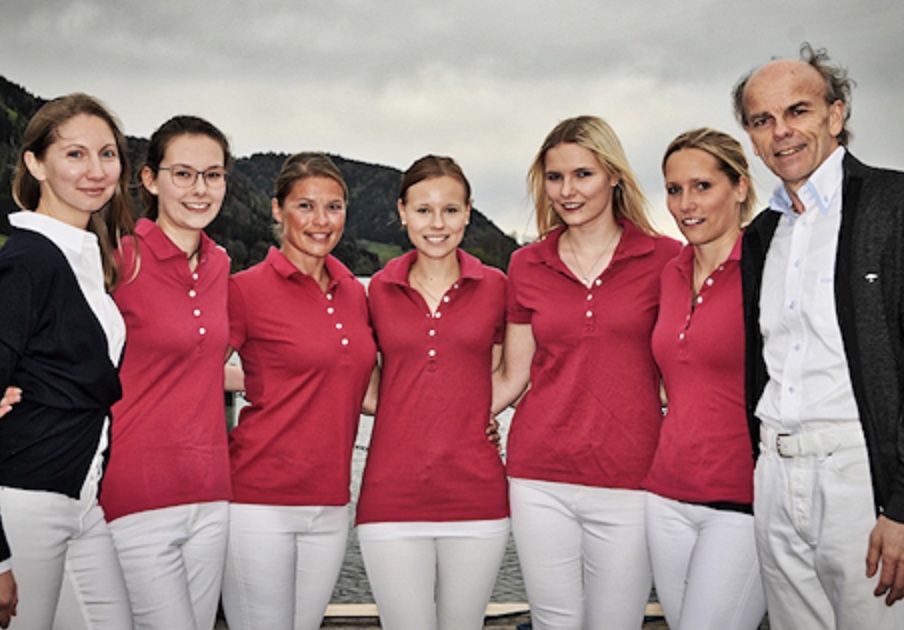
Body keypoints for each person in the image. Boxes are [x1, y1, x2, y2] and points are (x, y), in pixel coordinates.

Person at [736, 43, 904, 629]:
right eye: (762, 120)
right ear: (751, 137)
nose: (780, 131)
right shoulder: (761, 236)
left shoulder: (894, 207)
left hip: (861, 480)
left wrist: (902, 505)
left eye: (797, 111)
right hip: (775, 479)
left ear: (835, 115)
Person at [492, 115, 680, 629]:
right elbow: (512, 377)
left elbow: (685, 367)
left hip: (632, 478)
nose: (567, 191)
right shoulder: (527, 264)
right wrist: (446, 420)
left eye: (583, 175)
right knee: (553, 622)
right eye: (555, 177)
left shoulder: (666, 259)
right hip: (538, 478)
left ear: (614, 176)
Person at [222, 152, 377, 630]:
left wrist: (467, 414)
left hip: (331, 503)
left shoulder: (354, 292)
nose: (320, 221)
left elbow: (365, 390)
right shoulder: (243, 290)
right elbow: (192, 370)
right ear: (278, 209)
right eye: (305, 206)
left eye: (333, 207)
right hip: (258, 502)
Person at [356, 155, 509, 630]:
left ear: (468, 212)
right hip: (390, 498)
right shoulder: (376, 291)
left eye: (450, 210)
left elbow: (507, 369)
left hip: (477, 496)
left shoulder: (497, 286)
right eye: (423, 210)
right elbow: (357, 377)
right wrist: (407, 411)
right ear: (402, 212)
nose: (437, 224)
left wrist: (472, 412)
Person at [0, 93, 135, 628]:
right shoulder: (27, 262)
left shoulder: (82, 258)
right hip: (23, 503)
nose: (96, 171)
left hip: (80, 499)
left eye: (107, 154)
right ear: (36, 164)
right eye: (75, 154)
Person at [96, 116, 233, 629]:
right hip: (137, 493)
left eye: (213, 175)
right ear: (151, 180)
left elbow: (201, 361)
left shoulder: (221, 265)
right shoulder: (118, 261)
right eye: (184, 174)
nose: (200, 189)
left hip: (212, 493)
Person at [643, 128, 766, 629]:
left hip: (744, 501)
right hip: (665, 496)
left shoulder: (768, 268)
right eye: (674, 190)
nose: (685, 204)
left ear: (739, 187)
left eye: (702, 187)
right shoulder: (670, 273)